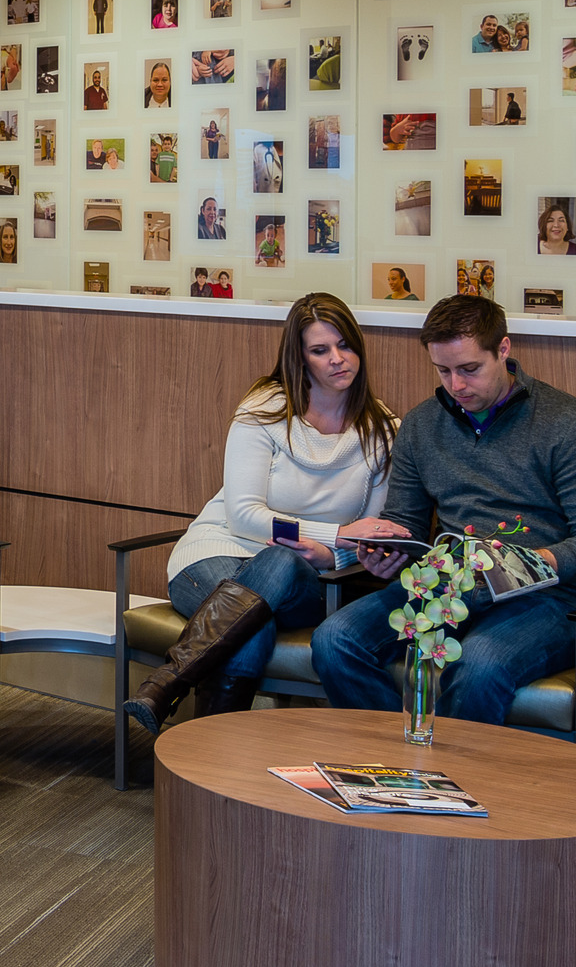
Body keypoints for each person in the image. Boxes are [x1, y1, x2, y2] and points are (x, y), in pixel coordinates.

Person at [316, 295, 576, 725]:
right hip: (448, 583)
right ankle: (398, 764)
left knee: (479, 663)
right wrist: (386, 552)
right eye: (443, 371)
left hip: (551, 598)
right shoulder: (423, 425)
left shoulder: (570, 426)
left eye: (469, 369)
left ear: (503, 349)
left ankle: (451, 783)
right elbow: (407, 523)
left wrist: (525, 564)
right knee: (335, 640)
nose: (457, 385)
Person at [120, 293, 399, 744]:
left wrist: (332, 555)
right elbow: (246, 516)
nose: (337, 359)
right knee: (253, 628)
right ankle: (212, 762)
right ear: (299, 357)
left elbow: (368, 540)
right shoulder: (265, 410)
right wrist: (337, 534)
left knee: (284, 563)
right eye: (320, 350)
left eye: (345, 345)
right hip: (216, 552)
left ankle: (167, 687)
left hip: (305, 579)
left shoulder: (382, 431)